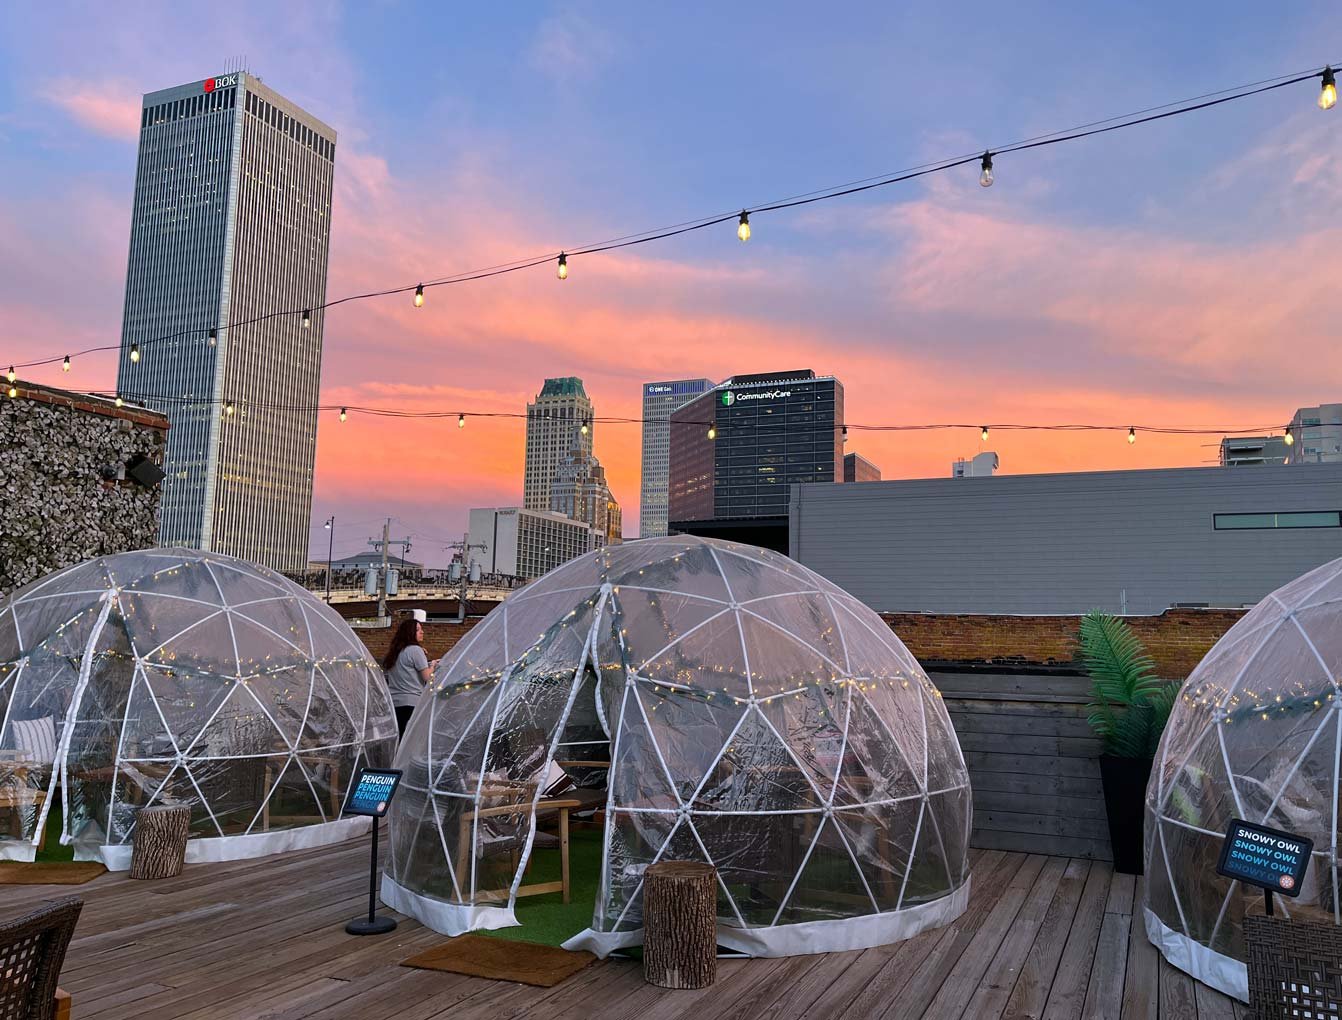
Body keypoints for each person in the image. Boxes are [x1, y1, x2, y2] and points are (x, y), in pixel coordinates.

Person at [382, 617, 437, 736]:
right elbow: (428, 678)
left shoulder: (395, 653)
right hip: (412, 703)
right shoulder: (416, 650)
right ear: (410, 633)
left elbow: (407, 670)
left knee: (400, 739)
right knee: (413, 740)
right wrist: (432, 666)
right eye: (418, 630)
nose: (422, 632)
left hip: (395, 704)